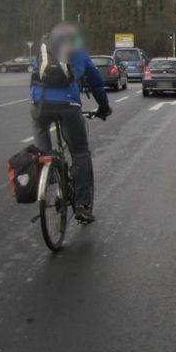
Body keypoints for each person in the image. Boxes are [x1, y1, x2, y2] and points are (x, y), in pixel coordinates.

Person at [30, 23, 111, 223]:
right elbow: (96, 83)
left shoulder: (43, 51)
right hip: (69, 105)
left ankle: (46, 166)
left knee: (41, 135)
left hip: (39, 105)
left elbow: (33, 78)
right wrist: (103, 107)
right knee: (80, 152)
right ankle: (82, 206)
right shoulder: (80, 54)